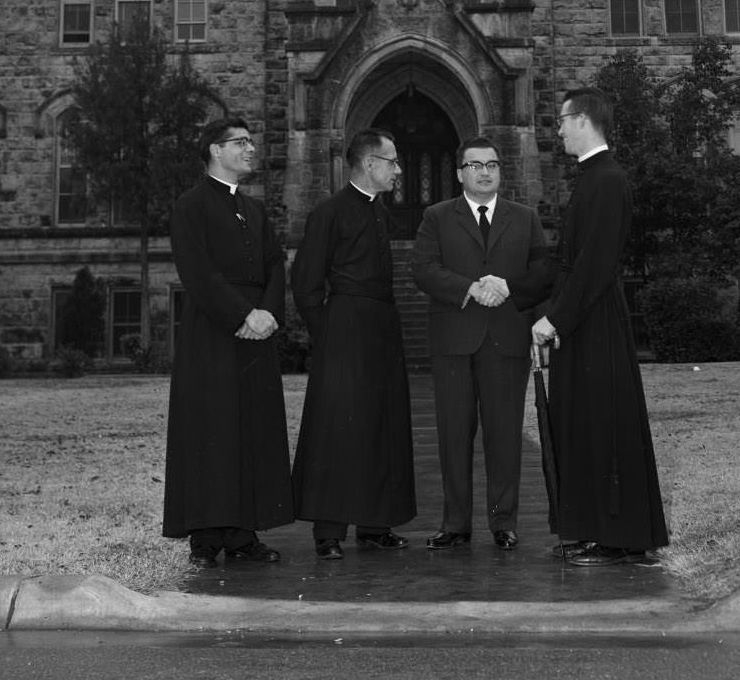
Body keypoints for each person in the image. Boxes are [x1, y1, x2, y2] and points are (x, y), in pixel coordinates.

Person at [531, 88, 669, 566]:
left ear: (585, 119)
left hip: (595, 322)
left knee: (602, 425)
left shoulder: (607, 180)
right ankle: (598, 530)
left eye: (564, 121)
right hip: (583, 319)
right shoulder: (592, 179)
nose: (560, 130)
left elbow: (595, 264)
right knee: (584, 424)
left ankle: (618, 537)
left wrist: (554, 319)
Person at [162, 117, 294, 568]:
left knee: (250, 430)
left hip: (257, 331)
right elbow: (197, 272)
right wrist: (242, 314)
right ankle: (205, 536)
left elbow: (276, 264)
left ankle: (242, 534)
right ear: (215, 151)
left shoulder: (255, 210)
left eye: (251, 142)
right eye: (240, 143)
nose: (250, 149)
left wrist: (268, 313)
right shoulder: (190, 205)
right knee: (212, 430)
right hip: (214, 330)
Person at [413, 136, 552, 549]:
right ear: (459, 173)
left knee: (504, 434)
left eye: (492, 165)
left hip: (506, 339)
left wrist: (508, 287)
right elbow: (423, 269)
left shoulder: (524, 218)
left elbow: (543, 269)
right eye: (475, 165)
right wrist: (471, 288)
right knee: (454, 434)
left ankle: (503, 522)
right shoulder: (437, 216)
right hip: (454, 340)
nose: (485, 172)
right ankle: (455, 524)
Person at [291, 128, 416, 559]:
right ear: (369, 164)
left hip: (382, 326)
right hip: (344, 328)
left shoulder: (381, 213)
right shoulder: (329, 212)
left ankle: (374, 525)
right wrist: (330, 331)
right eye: (392, 161)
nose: (399, 170)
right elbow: (306, 282)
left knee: (381, 423)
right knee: (338, 427)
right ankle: (328, 532)